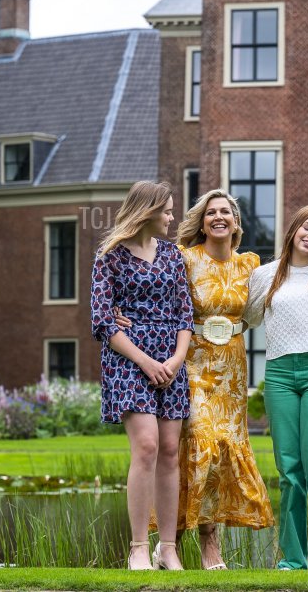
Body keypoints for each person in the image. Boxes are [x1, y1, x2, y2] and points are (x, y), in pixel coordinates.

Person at [118, 190, 275, 569]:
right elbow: (153, 292)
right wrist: (121, 312)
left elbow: (275, 299)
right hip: (190, 363)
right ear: (202, 222)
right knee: (201, 447)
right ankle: (189, 543)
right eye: (211, 212)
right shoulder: (184, 258)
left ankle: (181, 545)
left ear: (236, 222)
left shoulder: (251, 265)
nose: (218, 217)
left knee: (220, 452)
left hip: (232, 367)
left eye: (225, 212)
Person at [90, 180, 193, 571]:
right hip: (128, 360)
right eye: (166, 210)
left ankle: (167, 549)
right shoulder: (110, 257)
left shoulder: (172, 255)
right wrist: (146, 362)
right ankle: (137, 547)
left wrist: (176, 360)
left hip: (171, 361)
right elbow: (102, 321)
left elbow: (185, 314)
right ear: (147, 211)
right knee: (147, 446)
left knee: (169, 451)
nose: (171, 217)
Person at [244, 205, 308, 570]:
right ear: (294, 229)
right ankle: (293, 560)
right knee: (289, 471)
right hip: (280, 373)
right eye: (307, 227)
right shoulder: (265, 275)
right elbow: (247, 317)